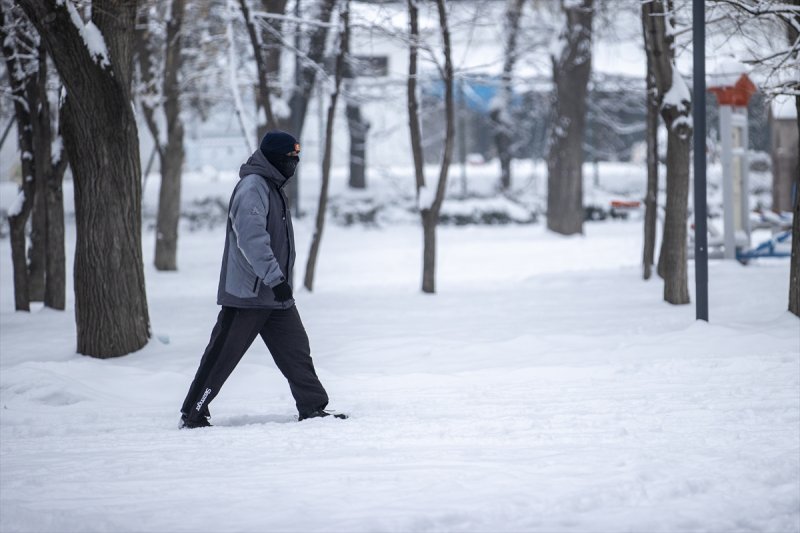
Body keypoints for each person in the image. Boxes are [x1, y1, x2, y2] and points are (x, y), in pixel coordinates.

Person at [179, 130, 346, 429]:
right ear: (273, 159)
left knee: (296, 350)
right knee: (222, 356)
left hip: (275, 292)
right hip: (249, 294)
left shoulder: (272, 186)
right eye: (289, 159)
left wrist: (278, 282)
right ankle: (194, 412)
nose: (293, 164)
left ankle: (313, 407)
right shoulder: (253, 187)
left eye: (297, 158)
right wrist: (274, 277)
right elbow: (252, 239)